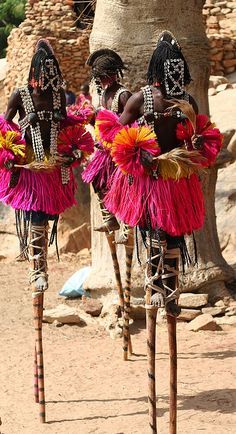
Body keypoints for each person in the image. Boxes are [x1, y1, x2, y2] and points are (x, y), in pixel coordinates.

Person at [97, 30, 222, 431]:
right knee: (156, 240)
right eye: (168, 70)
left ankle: (164, 292)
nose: (173, 77)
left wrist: (190, 148)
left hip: (174, 186)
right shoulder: (141, 100)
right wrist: (138, 157)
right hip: (150, 188)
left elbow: (202, 138)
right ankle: (157, 291)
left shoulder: (185, 101)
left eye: (177, 71)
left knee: (171, 242)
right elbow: (114, 134)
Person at [82, 48, 132, 233]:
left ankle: (128, 224)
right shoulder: (104, 94)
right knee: (97, 179)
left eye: (101, 77)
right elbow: (103, 120)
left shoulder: (123, 95)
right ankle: (110, 218)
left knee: (124, 185)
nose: (99, 81)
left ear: (110, 75)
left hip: (122, 149)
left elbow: (132, 123)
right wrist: (91, 118)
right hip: (105, 149)